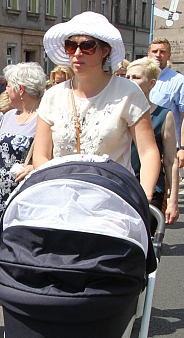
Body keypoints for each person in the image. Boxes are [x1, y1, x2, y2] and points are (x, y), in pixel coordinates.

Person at [32, 11, 160, 201]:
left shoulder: (128, 92)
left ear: (105, 51)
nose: (77, 53)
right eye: (70, 46)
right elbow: (40, 155)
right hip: (62, 198)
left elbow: (148, 151)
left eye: (87, 46)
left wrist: (144, 195)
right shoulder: (53, 96)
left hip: (113, 198)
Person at [0, 62, 44, 268]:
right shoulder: (7, 117)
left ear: (21, 89)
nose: (5, 89)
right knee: (5, 254)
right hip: (4, 199)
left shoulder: (44, 119)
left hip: (30, 200)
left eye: (9, 85)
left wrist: (34, 167)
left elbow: (55, 157)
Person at [126, 58, 180, 225]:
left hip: (150, 189)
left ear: (151, 83)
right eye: (126, 77)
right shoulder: (115, 112)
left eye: (135, 77)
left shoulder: (163, 115)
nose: (129, 82)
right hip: (119, 186)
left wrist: (173, 201)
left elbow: (171, 161)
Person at [147, 38, 184, 180]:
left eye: (162, 51)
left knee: (166, 191)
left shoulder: (178, 80)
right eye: (154, 51)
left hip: (167, 144)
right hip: (143, 141)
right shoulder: (140, 77)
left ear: (169, 55)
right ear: (148, 54)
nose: (158, 54)